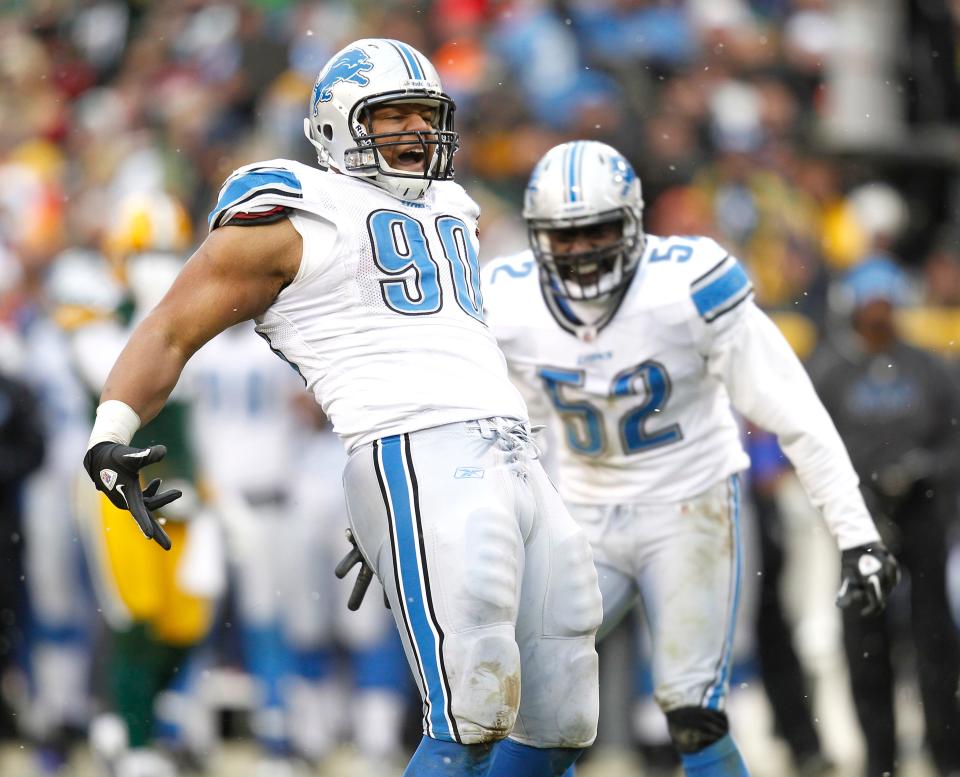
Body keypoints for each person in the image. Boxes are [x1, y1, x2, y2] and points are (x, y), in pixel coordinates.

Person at [80, 39, 603, 777]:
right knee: (473, 703)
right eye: (393, 116)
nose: (418, 134)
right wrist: (112, 431)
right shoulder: (296, 210)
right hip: (412, 447)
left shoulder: (454, 205)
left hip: (510, 454)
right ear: (334, 126)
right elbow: (170, 326)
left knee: (563, 714)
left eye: (427, 117)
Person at [478, 140, 899, 777]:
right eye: (562, 237)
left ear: (633, 224)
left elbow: (796, 414)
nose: (581, 251)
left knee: (692, 712)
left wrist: (856, 534)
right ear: (535, 237)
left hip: (690, 504)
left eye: (596, 230)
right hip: (585, 510)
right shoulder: (506, 299)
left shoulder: (687, 286)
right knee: (537, 703)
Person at [808, 256, 960, 777]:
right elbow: (812, 445)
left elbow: (953, 436)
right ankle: (880, 759)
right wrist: (863, 490)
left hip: (922, 517)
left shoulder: (927, 366)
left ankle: (946, 752)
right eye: (871, 306)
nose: (879, 316)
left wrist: (923, 469)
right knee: (865, 644)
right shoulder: (830, 370)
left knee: (935, 643)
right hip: (861, 523)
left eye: (886, 306)